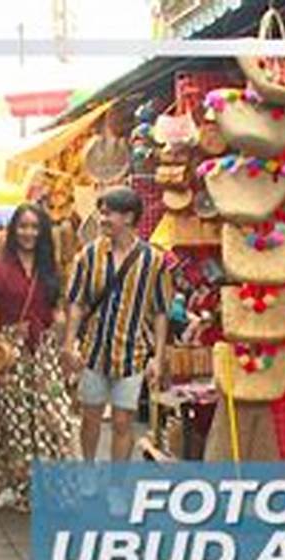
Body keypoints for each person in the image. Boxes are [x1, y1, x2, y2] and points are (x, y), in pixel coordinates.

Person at [0, 203, 76, 511]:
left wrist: (67, 338)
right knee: (16, 424)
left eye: (35, 227)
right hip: (10, 353)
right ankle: (27, 489)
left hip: (44, 352)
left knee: (56, 415)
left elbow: (57, 310)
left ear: (42, 232)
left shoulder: (50, 269)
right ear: (13, 231)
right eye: (23, 227)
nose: (29, 233)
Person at [63, 186, 172, 461]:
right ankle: (88, 472)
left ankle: (116, 483)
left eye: (108, 213)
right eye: (101, 212)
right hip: (93, 353)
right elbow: (76, 303)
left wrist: (158, 358)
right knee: (90, 417)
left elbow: (160, 312)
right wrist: (69, 344)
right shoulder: (88, 255)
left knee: (124, 422)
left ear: (128, 217)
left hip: (131, 356)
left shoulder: (153, 260)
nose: (102, 219)